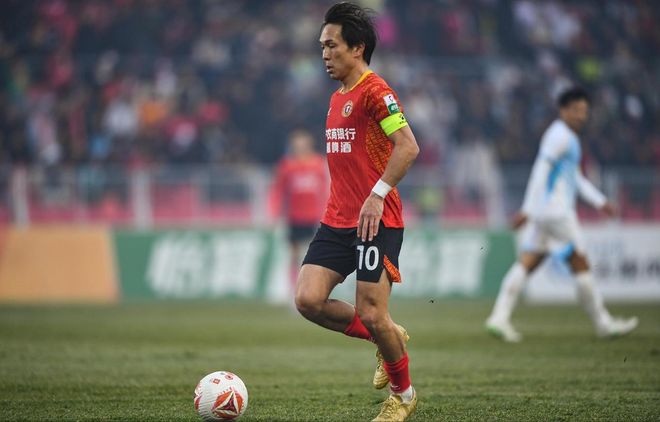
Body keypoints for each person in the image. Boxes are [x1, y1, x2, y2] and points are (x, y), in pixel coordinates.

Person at [294, 3, 420, 421]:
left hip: (375, 220)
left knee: (371, 311)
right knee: (308, 300)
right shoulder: (337, 98)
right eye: (322, 46)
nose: (325, 54)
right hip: (337, 218)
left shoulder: (375, 91)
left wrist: (377, 193)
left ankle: (403, 396)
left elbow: (408, 146)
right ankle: (386, 339)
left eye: (332, 45)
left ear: (357, 48)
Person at [485, 87, 638, 343]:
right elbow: (540, 171)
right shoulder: (560, 136)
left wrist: (600, 201)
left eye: (584, 111)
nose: (581, 116)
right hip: (557, 212)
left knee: (528, 261)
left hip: (545, 213)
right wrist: (527, 209)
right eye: (575, 110)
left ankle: (498, 317)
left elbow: (574, 178)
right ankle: (604, 324)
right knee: (580, 263)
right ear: (563, 110)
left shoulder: (565, 137)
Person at [269, 129, 328, 297]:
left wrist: (326, 212)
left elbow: (325, 190)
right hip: (294, 217)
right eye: (297, 144)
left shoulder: (318, 164)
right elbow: (278, 190)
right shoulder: (287, 166)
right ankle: (293, 291)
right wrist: (275, 213)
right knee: (294, 256)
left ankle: (314, 290)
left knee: (314, 256)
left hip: (314, 218)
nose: (300, 147)